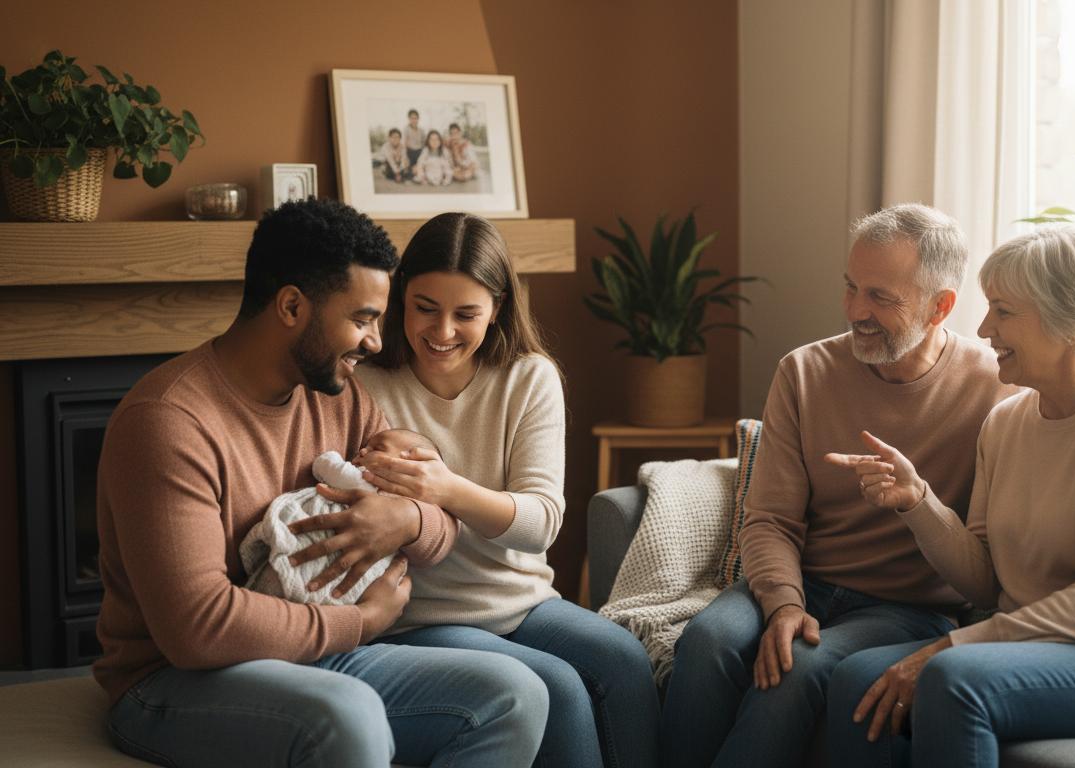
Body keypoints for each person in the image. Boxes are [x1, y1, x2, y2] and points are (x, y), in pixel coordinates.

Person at [95, 198, 548, 768]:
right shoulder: (168, 421)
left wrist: (408, 519)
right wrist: (361, 621)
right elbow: (198, 629)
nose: (377, 341)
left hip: (315, 658)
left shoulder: (338, 397)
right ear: (291, 306)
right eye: (362, 319)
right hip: (175, 681)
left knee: (516, 694)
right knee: (347, 714)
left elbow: (439, 529)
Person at [825, 225, 1075, 768]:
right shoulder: (1006, 422)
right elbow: (985, 582)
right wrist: (917, 501)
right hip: (1043, 647)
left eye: (1004, 311)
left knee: (952, 678)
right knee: (855, 677)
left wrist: (954, 645)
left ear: (1073, 322)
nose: (983, 328)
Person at [659, 204, 1018, 768]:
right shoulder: (803, 371)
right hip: (805, 579)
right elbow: (770, 518)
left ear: (940, 306)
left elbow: (990, 557)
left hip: (908, 607)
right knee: (706, 641)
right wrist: (784, 602)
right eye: (851, 287)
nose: (855, 311)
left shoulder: (998, 390)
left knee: (799, 665)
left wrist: (916, 499)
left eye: (880, 297)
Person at [352, 212, 660, 768]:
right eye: (425, 308)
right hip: (421, 617)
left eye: (466, 314)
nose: (443, 331)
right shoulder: (364, 383)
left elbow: (540, 523)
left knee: (623, 658)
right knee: (559, 687)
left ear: (497, 309)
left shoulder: (529, 377)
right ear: (400, 299)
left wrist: (445, 487)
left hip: (524, 602)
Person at [239, 428, 440, 606]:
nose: (362, 451)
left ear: (407, 467)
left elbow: (324, 464)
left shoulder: (367, 483)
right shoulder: (406, 501)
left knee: (275, 583)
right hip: (352, 599)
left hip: (314, 557)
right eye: (365, 447)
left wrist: (332, 458)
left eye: (377, 448)